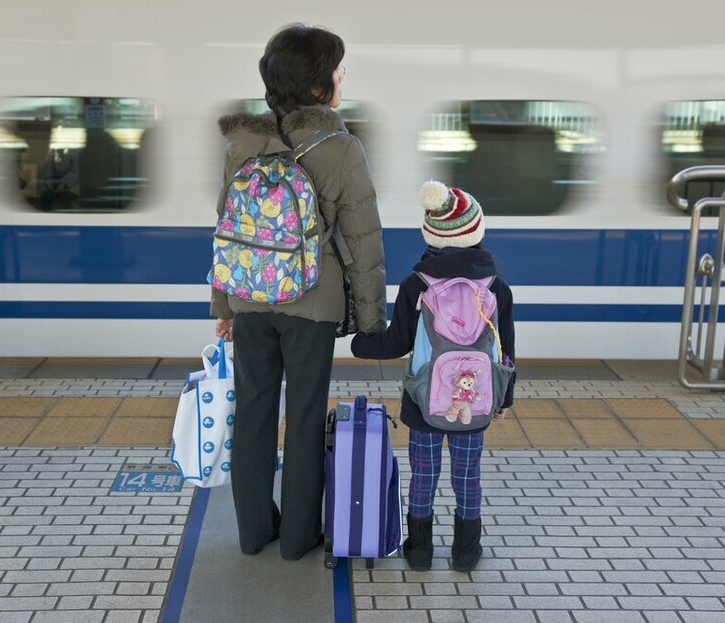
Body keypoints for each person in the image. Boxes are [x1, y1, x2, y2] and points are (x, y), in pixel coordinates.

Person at [211, 24, 387, 561]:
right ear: (317, 87)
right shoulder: (340, 147)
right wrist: (372, 320)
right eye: (335, 70)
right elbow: (363, 237)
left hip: (249, 301)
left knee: (256, 414)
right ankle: (296, 540)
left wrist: (223, 307)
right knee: (305, 417)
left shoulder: (243, 143)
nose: (340, 79)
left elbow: (226, 227)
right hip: (312, 303)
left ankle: (253, 532)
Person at [351, 181, 516, 573]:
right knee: (467, 477)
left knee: (423, 475)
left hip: (423, 402)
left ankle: (420, 551)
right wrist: (503, 399)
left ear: (431, 234)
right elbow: (506, 349)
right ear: (477, 231)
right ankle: (465, 552)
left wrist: (359, 343)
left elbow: (394, 342)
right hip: (474, 400)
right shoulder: (498, 287)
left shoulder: (416, 285)